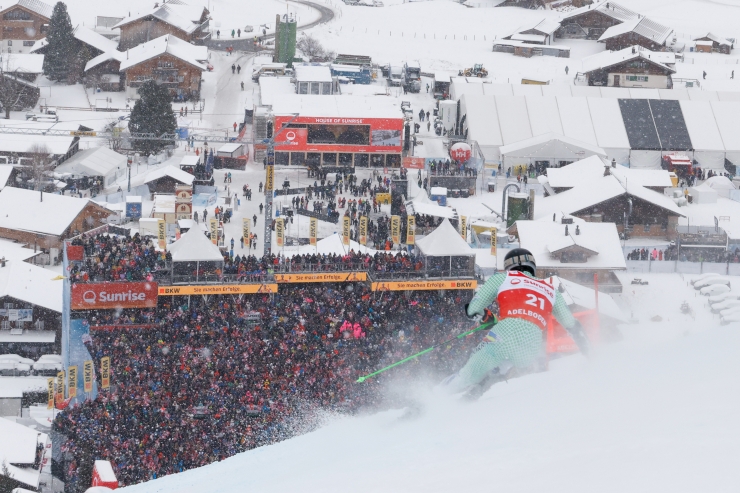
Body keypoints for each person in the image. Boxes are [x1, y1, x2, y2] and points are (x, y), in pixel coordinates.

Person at [445, 248, 589, 398]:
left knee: (467, 375)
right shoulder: (551, 290)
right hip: (531, 345)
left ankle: (443, 396)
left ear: (508, 265)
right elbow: (572, 324)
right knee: (506, 368)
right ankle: (488, 383)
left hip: (502, 335)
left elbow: (473, 309)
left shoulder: (503, 278)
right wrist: (590, 354)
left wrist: (485, 317)